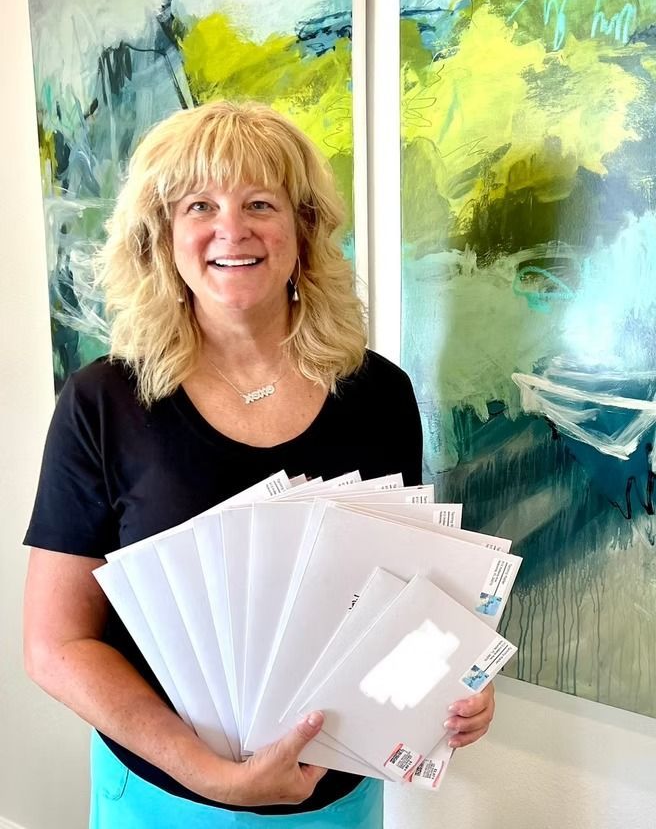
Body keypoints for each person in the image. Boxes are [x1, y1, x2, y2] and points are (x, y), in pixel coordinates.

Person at [23, 101, 495, 828]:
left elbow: (407, 596)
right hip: (163, 799)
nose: (231, 229)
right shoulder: (101, 402)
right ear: (163, 237)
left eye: (260, 203)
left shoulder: (379, 394)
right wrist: (208, 772)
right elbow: (57, 645)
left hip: (334, 801)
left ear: (303, 229)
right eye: (199, 205)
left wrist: (453, 683)